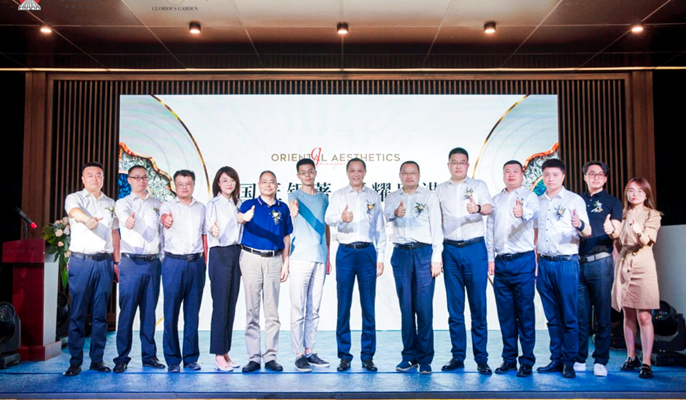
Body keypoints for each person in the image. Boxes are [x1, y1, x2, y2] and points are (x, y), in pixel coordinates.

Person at [436, 147, 493, 375]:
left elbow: (488, 208)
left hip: (474, 249)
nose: (458, 166)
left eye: (462, 162)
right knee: (455, 309)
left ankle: (481, 359)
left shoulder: (478, 186)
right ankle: (457, 357)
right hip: (450, 250)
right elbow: (436, 220)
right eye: (454, 162)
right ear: (448, 165)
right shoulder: (440, 190)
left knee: (478, 307)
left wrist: (477, 208)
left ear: (467, 165)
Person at [325, 158, 386, 372]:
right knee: (343, 305)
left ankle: (367, 356)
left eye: (360, 170)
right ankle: (344, 355)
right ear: (347, 172)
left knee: (368, 306)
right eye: (352, 170)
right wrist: (342, 218)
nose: (356, 174)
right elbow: (329, 218)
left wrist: (380, 257)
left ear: (365, 172)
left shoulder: (373, 195)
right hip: (346, 252)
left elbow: (380, 229)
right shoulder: (339, 195)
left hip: (368, 252)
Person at [384, 161, 442, 375]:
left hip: (424, 254)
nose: (409, 176)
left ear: (419, 175)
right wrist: (395, 213)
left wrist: (437, 257)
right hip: (401, 254)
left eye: (413, 173)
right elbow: (386, 215)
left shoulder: (429, 196)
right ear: (400, 175)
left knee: (424, 308)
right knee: (406, 308)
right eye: (405, 173)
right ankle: (409, 356)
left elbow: (437, 227)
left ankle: (425, 358)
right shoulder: (392, 197)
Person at [63, 161, 120, 377]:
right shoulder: (75, 198)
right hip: (81, 261)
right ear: (83, 179)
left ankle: (97, 360)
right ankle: (75, 362)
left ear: (103, 179)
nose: (95, 178)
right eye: (90, 175)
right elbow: (75, 212)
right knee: (77, 313)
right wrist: (88, 219)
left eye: (98, 175)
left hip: (104, 262)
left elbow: (114, 233)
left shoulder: (110, 203)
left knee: (100, 315)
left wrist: (116, 262)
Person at [535, 158, 591, 379]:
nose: (550, 179)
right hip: (544, 263)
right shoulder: (538, 201)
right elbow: (535, 234)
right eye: (547, 175)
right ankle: (556, 359)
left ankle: (569, 361)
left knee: (569, 315)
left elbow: (587, 231)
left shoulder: (574, 200)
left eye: (555, 175)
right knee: (552, 316)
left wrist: (579, 225)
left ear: (563, 176)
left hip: (566, 263)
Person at [486, 160, 539, 378]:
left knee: (525, 313)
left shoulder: (530, 196)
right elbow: (489, 230)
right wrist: (490, 258)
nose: (510, 175)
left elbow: (532, 213)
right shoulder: (496, 200)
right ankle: (509, 359)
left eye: (515, 171)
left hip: (523, 261)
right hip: (501, 262)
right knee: (506, 314)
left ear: (522, 174)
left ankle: (526, 361)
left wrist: (521, 211)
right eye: (507, 171)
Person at [112, 165, 165, 373]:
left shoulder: (157, 204)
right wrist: (128, 221)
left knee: (149, 312)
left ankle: (149, 357)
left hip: (153, 263)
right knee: (127, 312)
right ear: (130, 180)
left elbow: (163, 230)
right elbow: (124, 218)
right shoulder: (123, 203)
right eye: (136, 177)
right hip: (131, 263)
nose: (141, 181)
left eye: (144, 177)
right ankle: (121, 358)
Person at [239, 170, 293, 373]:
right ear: (258, 185)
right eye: (264, 182)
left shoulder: (283, 207)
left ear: (277, 185)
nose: (268, 185)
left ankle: (270, 356)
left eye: (272, 182)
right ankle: (254, 358)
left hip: (274, 260)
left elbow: (286, 236)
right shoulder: (249, 204)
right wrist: (244, 217)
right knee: (252, 310)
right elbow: (239, 218)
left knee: (272, 312)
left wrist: (286, 262)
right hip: (251, 258)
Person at [609, 177, 661, 379]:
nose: (635, 194)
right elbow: (617, 240)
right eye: (631, 190)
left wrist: (639, 231)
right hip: (624, 263)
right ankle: (631, 357)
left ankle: (646, 361)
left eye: (639, 191)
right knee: (628, 314)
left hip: (643, 264)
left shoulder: (652, 215)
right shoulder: (621, 213)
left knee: (644, 316)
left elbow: (647, 240)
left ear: (646, 194)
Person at [575, 161, 622, 377]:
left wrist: (611, 229)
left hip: (601, 261)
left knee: (602, 314)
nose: (595, 177)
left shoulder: (612, 202)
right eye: (591, 173)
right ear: (584, 176)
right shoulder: (577, 200)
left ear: (605, 178)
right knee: (581, 315)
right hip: (577, 262)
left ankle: (601, 360)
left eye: (600, 174)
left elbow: (617, 232)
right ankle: (579, 358)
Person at [159, 170, 207, 373]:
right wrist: (165, 219)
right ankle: (172, 359)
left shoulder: (202, 208)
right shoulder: (168, 206)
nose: (184, 187)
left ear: (193, 185)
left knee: (192, 313)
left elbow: (204, 235)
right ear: (174, 186)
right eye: (180, 184)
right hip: (173, 263)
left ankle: (190, 358)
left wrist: (205, 261)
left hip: (196, 263)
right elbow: (163, 218)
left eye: (188, 183)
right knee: (170, 313)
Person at [287, 159, 331, 372]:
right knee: (298, 308)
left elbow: (327, 227)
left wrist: (328, 255)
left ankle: (309, 351)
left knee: (314, 308)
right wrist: (293, 209)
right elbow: (292, 209)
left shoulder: (324, 198)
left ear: (315, 173)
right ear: (298, 175)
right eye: (303, 172)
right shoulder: (294, 196)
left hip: (320, 258)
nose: (307, 175)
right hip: (299, 258)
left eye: (310, 171)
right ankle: (298, 355)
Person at [206, 166, 243, 372]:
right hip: (219, 253)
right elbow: (211, 227)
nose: (229, 184)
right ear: (218, 184)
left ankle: (225, 350)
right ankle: (218, 355)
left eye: (232, 180)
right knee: (220, 304)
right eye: (224, 180)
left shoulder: (239, 204)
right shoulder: (213, 204)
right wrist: (214, 229)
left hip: (236, 253)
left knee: (231, 305)